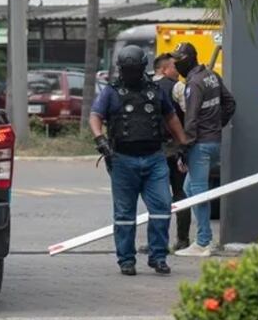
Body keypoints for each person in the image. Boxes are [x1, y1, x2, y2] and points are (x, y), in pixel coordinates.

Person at [90, 45, 187, 276]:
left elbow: (171, 117)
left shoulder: (155, 90)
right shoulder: (111, 92)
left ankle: (158, 257)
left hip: (154, 158)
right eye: (126, 70)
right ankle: (126, 260)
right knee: (124, 214)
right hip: (122, 159)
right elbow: (95, 116)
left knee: (162, 207)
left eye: (133, 69)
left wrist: (183, 143)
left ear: (142, 68)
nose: (130, 74)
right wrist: (100, 138)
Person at [172, 42, 236, 258]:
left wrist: (183, 148)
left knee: (198, 192)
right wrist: (217, 125)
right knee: (190, 189)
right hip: (213, 142)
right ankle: (204, 237)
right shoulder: (211, 76)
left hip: (199, 144)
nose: (176, 64)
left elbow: (190, 120)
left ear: (190, 59)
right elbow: (230, 103)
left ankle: (203, 242)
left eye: (179, 60)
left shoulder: (194, 84)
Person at [153, 53, 191, 251]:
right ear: (164, 69)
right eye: (174, 67)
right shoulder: (177, 87)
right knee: (180, 193)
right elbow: (189, 113)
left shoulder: (147, 87)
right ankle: (182, 240)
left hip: (153, 149)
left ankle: (157, 242)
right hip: (176, 148)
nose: (178, 71)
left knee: (156, 197)